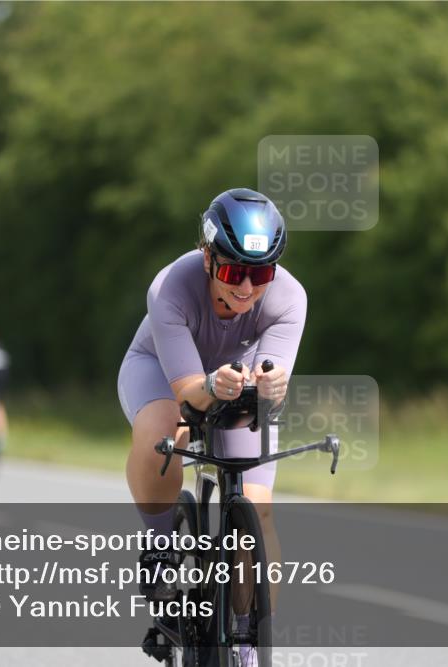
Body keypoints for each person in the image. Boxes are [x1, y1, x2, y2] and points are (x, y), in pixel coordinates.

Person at [118, 188, 304, 647]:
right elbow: (187, 395)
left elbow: (272, 386)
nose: (246, 288)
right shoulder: (169, 288)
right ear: (207, 258)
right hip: (161, 371)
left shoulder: (289, 298)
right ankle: (161, 547)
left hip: (237, 382)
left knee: (258, 510)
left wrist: (273, 386)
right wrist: (211, 385)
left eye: (261, 273)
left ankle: (245, 638)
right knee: (165, 433)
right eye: (234, 271)